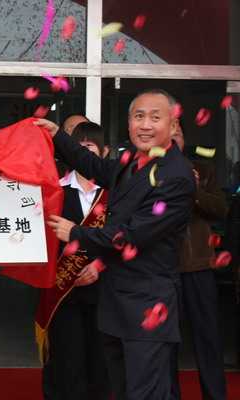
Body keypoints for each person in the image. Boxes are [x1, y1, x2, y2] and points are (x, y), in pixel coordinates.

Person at [36, 88, 196, 400]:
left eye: (155, 117)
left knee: (146, 392)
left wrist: (76, 233)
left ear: (173, 124)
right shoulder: (133, 162)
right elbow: (95, 166)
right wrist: (58, 136)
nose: (145, 125)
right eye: (138, 116)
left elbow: (133, 235)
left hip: (147, 306)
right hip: (116, 304)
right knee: (120, 389)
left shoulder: (176, 175)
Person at [41, 121, 110, 400]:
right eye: (78, 148)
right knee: (67, 359)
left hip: (105, 290)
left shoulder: (115, 192)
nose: (83, 154)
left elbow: (126, 237)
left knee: (100, 360)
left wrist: (99, 266)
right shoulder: (54, 190)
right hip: (64, 292)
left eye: (90, 147)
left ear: (104, 152)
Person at [171, 123, 228, 400]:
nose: (173, 138)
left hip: (198, 266)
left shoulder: (202, 170)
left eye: (177, 133)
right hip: (163, 269)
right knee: (166, 342)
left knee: (208, 337)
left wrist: (193, 190)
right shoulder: (147, 171)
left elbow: (220, 209)